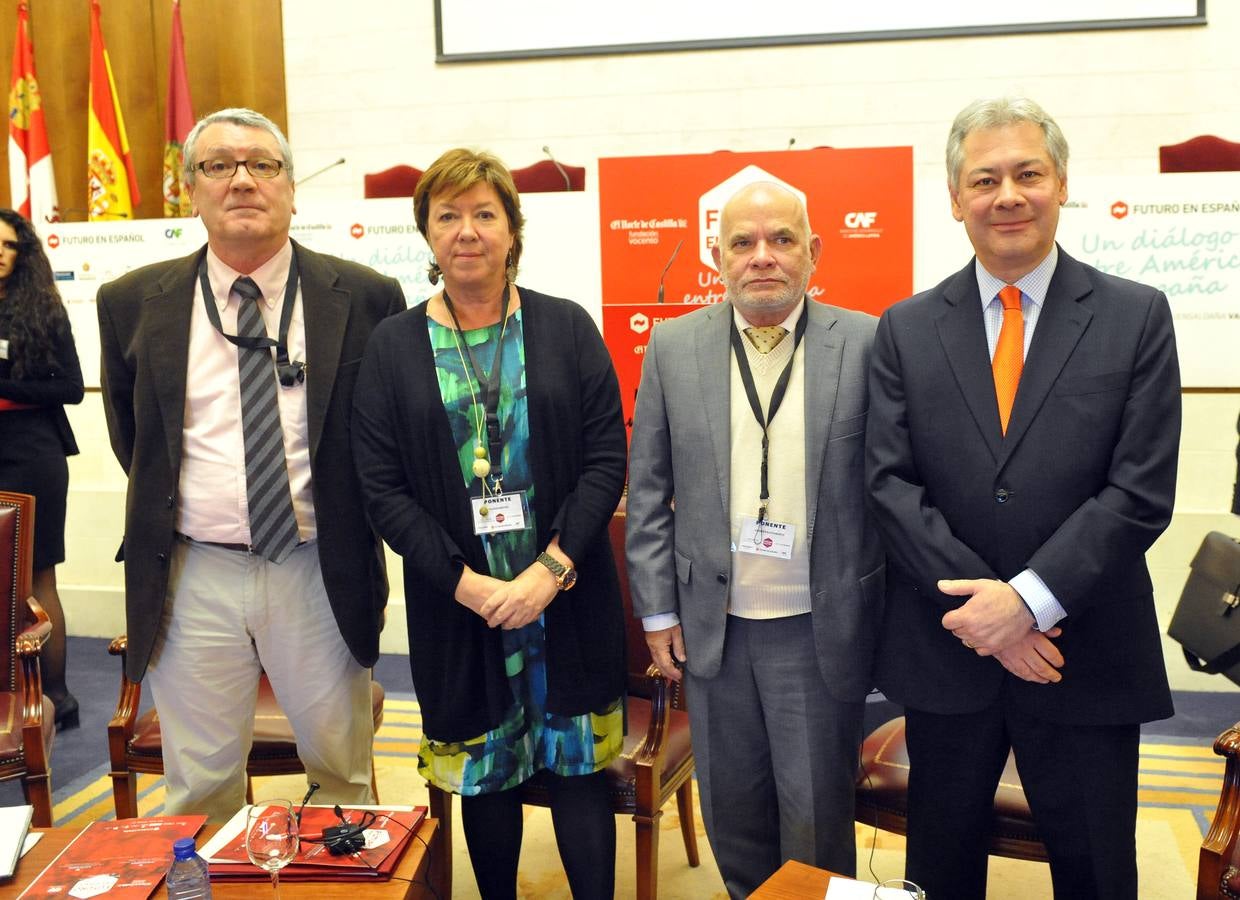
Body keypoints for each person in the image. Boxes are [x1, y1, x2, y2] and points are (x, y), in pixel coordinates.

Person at [866, 97, 1181, 900]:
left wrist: (1029, 604)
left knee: (1097, 872)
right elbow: (891, 484)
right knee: (940, 872)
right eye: (984, 179)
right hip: (950, 654)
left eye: (1027, 173)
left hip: (1083, 654)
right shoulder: (903, 328)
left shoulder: (1135, 316)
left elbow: (1139, 492)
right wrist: (991, 619)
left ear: (1061, 183)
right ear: (954, 198)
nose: (1007, 194)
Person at [96, 108, 405, 822]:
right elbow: (133, 436)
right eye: (218, 166)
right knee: (198, 789)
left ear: (292, 189)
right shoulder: (132, 302)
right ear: (190, 192)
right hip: (192, 571)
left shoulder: (363, 296)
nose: (242, 180)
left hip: (319, 566)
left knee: (341, 774)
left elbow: (378, 439)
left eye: (262, 165)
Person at [351, 148, 627, 900]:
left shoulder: (566, 327)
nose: (466, 231)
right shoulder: (392, 348)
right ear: (427, 234)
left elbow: (607, 458)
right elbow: (381, 488)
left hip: (565, 599)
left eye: (483, 214)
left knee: (577, 772)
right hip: (460, 608)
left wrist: (552, 570)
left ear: (512, 230)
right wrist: (468, 585)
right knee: (489, 778)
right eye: (448, 216)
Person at [626, 181, 884, 898]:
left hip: (818, 627)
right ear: (717, 256)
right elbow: (646, 488)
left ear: (814, 252)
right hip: (713, 632)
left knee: (814, 819)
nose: (762, 257)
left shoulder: (865, 342)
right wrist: (656, 615)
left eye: (782, 240)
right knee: (732, 811)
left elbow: (894, 491)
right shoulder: (674, 346)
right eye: (742, 242)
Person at [0, 208, 83, 730]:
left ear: (22, 253)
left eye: (7, 245)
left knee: (35, 576)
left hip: (31, 452)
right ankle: (7, 694)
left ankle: (56, 696)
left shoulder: (42, 311)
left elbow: (70, 389)